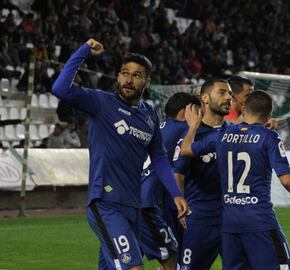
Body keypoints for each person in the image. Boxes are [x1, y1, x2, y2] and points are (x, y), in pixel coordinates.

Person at [52, 39, 188, 270]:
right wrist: (83, 51)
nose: (129, 79)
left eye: (136, 75)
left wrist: (175, 193)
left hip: (132, 205)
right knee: (134, 267)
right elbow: (60, 88)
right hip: (105, 202)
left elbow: (158, 157)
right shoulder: (101, 102)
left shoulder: (149, 114)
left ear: (147, 81)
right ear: (117, 76)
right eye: (125, 73)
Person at [181, 90, 290, 270]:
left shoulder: (223, 135)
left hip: (230, 222)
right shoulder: (269, 137)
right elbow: (286, 180)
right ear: (269, 115)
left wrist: (193, 126)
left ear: (243, 109)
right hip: (259, 220)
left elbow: (185, 150)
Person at [172, 78, 232, 270]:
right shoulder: (190, 135)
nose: (228, 97)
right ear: (205, 98)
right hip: (201, 218)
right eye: (222, 92)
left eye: (230, 93)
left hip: (234, 217)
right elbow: (178, 174)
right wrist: (180, 203)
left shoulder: (234, 132)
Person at [140, 92, 201, 270]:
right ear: (185, 112)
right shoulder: (185, 130)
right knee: (171, 256)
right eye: (197, 110)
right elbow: (176, 171)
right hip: (150, 203)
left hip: (132, 198)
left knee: (124, 260)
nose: (201, 114)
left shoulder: (158, 127)